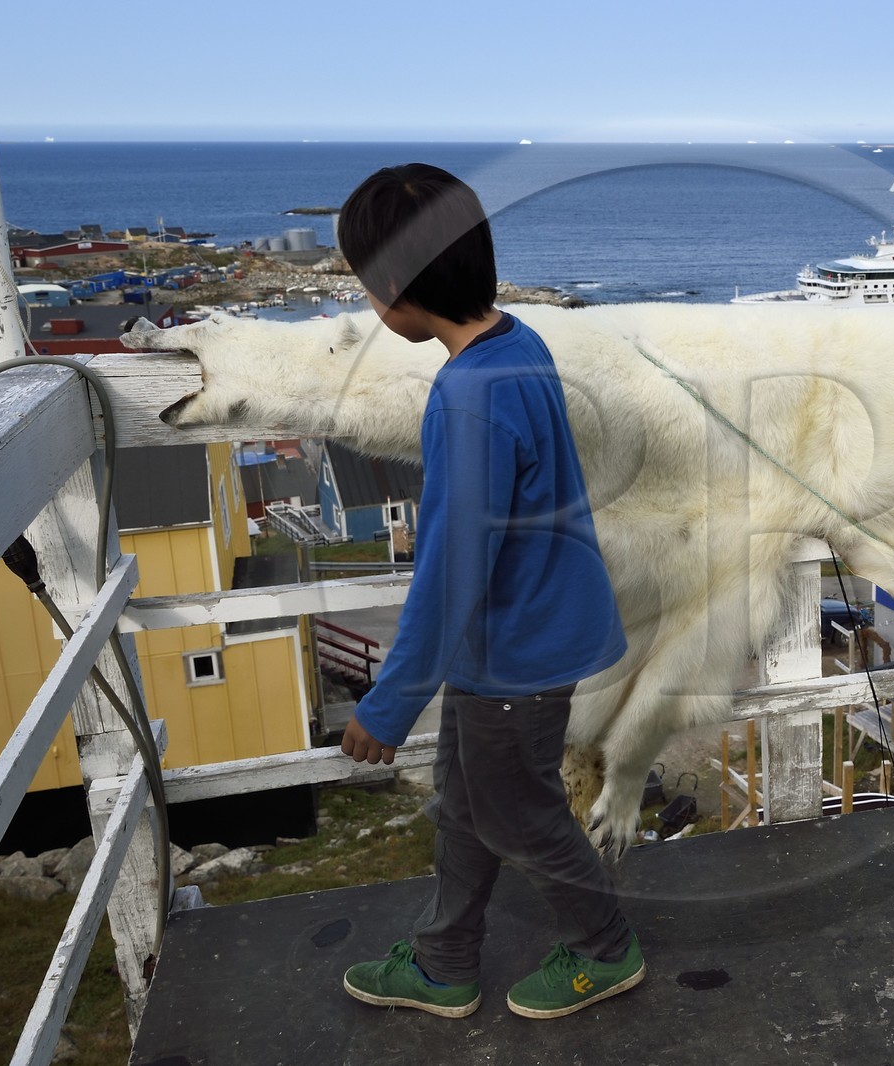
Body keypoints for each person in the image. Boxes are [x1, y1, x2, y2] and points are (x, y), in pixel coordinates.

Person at [333, 163, 641, 1020]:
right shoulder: (517, 342)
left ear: (393, 288)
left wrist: (389, 704)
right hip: (520, 635)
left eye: (365, 285)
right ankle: (444, 961)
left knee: (519, 818)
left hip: (515, 654)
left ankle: (605, 949)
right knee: (469, 808)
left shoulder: (466, 398)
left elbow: (450, 570)